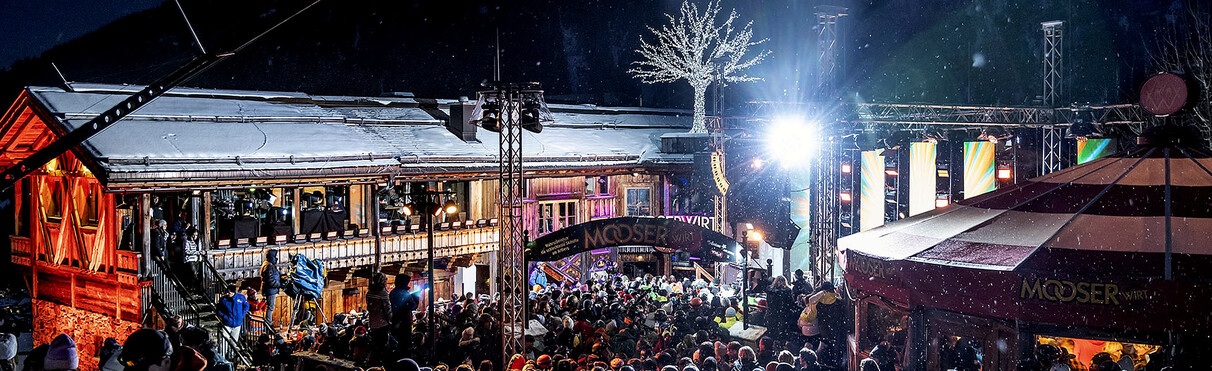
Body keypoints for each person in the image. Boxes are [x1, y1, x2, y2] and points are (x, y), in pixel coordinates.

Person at [390, 273, 420, 356]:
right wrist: (416, 297)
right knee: (405, 342)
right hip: (404, 321)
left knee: (397, 342)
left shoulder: (393, 292)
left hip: (395, 321)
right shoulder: (404, 294)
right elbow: (413, 306)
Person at [260, 249, 282, 327]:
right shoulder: (268, 266)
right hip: (270, 290)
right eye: (275, 256)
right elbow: (270, 280)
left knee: (270, 307)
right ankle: (268, 324)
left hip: (271, 289)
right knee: (270, 307)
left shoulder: (268, 264)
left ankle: (268, 323)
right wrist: (278, 284)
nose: (277, 257)